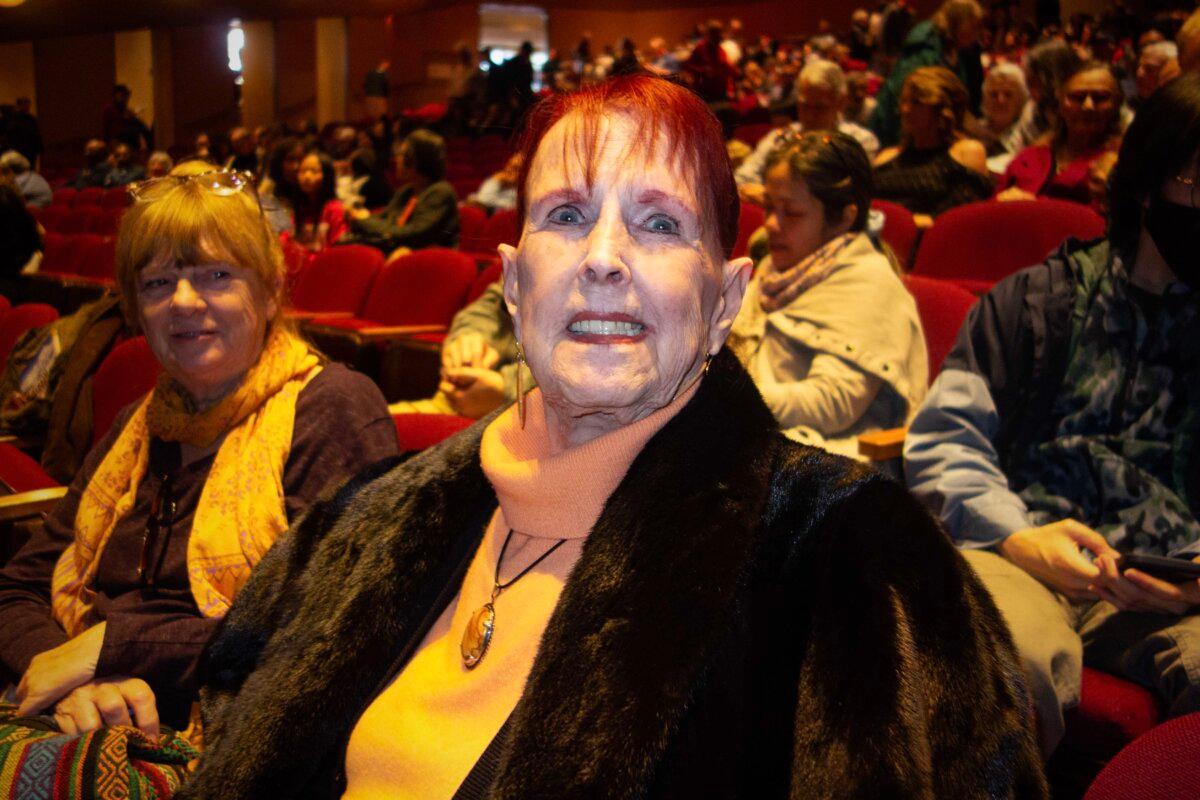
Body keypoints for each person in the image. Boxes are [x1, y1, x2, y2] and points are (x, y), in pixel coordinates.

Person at [178, 74, 1044, 800]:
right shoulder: (370, 515)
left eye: (660, 223)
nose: (602, 257)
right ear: (515, 285)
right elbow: (229, 713)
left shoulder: (852, 562)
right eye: (564, 215)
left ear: (726, 300)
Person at [0, 161, 398, 742]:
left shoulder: (332, 407)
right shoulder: (135, 426)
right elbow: (17, 586)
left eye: (216, 275)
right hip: (80, 709)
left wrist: (114, 649)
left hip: (235, 737)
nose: (183, 302)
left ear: (268, 292)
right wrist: (70, 674)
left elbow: (338, 623)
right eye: (157, 283)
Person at [904, 73, 1200, 757]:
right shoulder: (1036, 302)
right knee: (992, 656)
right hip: (1026, 546)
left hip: (1169, 585)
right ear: (1151, 183)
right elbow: (947, 439)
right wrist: (1014, 537)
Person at [731, 131, 927, 459]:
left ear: (844, 218)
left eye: (791, 213)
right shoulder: (773, 268)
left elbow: (832, 404)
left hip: (827, 465)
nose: (772, 225)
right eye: (768, 207)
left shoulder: (871, 284)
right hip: (755, 435)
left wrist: (729, 402)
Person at [736, 60, 880, 206]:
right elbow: (741, 179)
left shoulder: (860, 142)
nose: (810, 116)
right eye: (804, 105)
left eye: (820, 107)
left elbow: (851, 198)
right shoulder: (780, 138)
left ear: (841, 102)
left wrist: (772, 197)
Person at [997, 62, 1123, 207]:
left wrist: (1035, 207)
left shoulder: (1123, 160)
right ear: (1060, 103)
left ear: (1116, 104)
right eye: (1077, 97)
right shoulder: (1031, 155)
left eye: (1100, 98)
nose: (1088, 106)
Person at [873, 66, 992, 217]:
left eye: (916, 102)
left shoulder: (965, 152)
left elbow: (964, 218)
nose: (905, 109)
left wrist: (912, 223)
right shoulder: (886, 158)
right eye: (903, 101)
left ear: (942, 109)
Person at [869, 0, 985, 147]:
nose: (977, 34)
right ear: (958, 22)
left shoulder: (954, 50)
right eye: (974, 27)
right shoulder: (924, 49)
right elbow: (905, 100)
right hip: (899, 134)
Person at [342, 129, 459, 255]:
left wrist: (362, 220)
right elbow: (384, 219)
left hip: (429, 261)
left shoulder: (441, 192)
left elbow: (412, 233)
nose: (396, 158)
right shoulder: (406, 192)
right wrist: (358, 216)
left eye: (401, 153)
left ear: (414, 160)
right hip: (399, 253)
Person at [1010, 40, 1082, 152]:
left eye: (1033, 82)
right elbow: (1017, 145)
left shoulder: (1083, 111)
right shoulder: (1033, 108)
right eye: (1028, 82)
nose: (1029, 89)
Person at [965, 62, 1028, 172]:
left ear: (1020, 100)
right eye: (993, 94)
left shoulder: (1027, 134)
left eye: (1008, 94)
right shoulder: (971, 131)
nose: (1000, 100)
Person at [291, 150, 346, 251]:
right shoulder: (299, 207)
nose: (307, 177)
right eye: (302, 171)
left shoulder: (334, 209)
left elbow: (337, 246)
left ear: (327, 176)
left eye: (314, 171)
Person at [101, 84, 152, 152]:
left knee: (140, 125)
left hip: (127, 139)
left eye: (126, 96)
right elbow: (105, 127)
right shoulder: (109, 109)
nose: (125, 99)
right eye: (122, 96)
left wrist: (132, 117)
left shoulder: (126, 110)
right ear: (115, 96)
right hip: (116, 139)